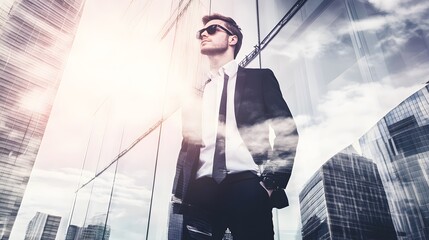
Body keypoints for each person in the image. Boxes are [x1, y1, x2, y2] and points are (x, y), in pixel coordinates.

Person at [169, 13, 299, 240]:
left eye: (212, 30)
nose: (203, 36)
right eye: (201, 33)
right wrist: (179, 194)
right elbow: (187, 148)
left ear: (232, 39)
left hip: (248, 188)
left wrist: (270, 184)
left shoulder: (260, 79)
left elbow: (286, 130)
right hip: (201, 194)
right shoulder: (194, 96)